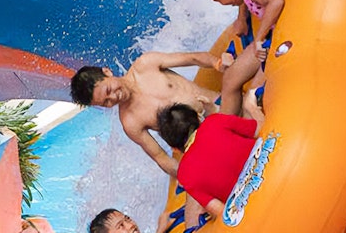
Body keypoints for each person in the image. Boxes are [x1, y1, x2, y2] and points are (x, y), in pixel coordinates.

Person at [70, 50, 228, 177]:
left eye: (109, 90)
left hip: (222, 108)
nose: (113, 97)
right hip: (203, 142)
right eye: (106, 102)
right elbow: (160, 157)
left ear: (107, 72)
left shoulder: (145, 65)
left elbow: (192, 58)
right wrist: (190, 177)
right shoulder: (130, 121)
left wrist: (218, 63)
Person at [157, 42, 265, 224]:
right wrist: (251, 107)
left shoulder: (185, 175)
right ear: (198, 119)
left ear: (174, 148)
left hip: (254, 203)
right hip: (272, 167)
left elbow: (221, 211)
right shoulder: (214, 122)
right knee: (248, 104)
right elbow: (261, 129)